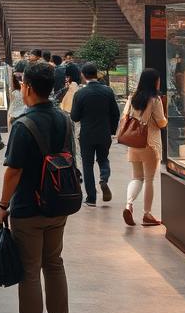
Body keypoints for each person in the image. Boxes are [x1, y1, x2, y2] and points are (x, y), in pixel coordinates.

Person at [0, 61, 72, 313]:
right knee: (54, 263)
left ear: (27, 88)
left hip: (28, 208)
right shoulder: (64, 119)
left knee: (29, 271)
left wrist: (3, 204)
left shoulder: (23, 124)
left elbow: (12, 172)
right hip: (58, 204)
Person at [120, 67, 168, 227]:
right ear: (155, 81)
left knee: (136, 178)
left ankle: (128, 204)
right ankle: (147, 214)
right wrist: (166, 120)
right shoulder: (155, 99)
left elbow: (125, 116)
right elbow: (161, 122)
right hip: (150, 143)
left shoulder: (132, 97)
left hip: (133, 143)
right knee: (149, 180)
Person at [70, 63, 120, 206]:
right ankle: (104, 178)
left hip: (86, 134)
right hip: (104, 133)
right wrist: (112, 131)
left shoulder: (80, 93)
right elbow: (115, 114)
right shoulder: (108, 91)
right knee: (103, 159)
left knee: (87, 164)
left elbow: (74, 117)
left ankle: (91, 198)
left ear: (83, 75)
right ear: (96, 74)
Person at [7, 61, 27, 130]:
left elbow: (11, 101)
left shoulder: (14, 89)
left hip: (14, 116)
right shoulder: (27, 87)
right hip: (24, 115)